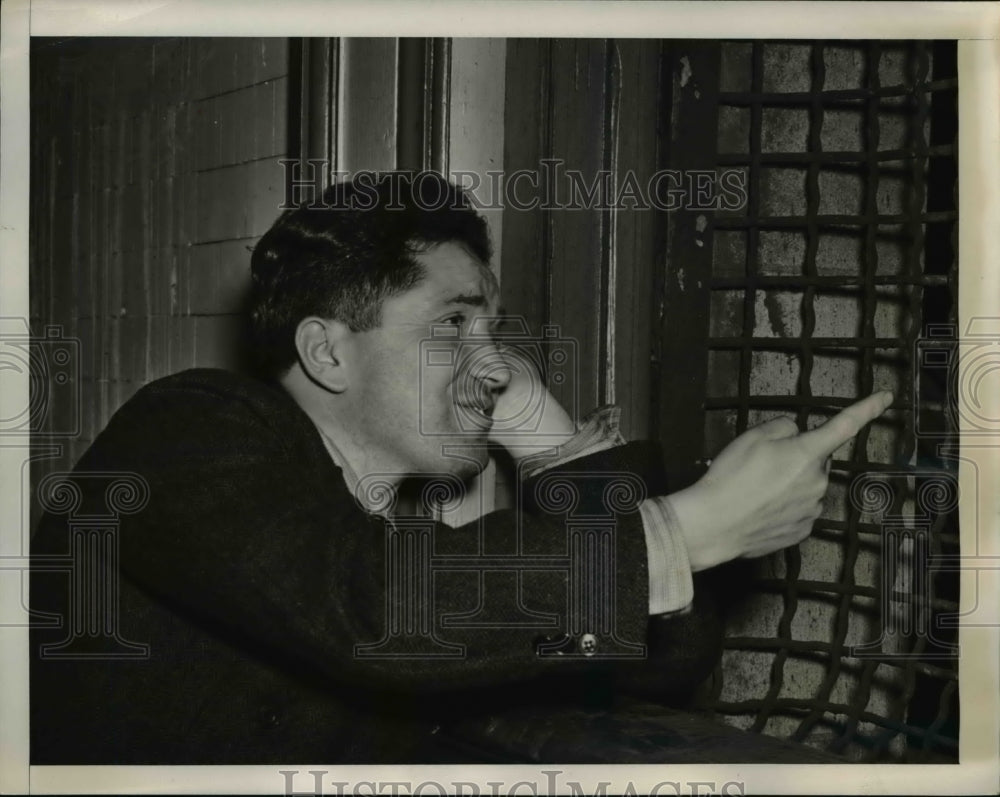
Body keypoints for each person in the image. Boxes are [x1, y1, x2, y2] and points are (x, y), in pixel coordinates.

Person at [30, 172, 892, 764]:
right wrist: (684, 526)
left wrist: (554, 441)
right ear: (327, 350)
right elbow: (369, 609)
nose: (496, 363)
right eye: (452, 323)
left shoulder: (414, 538)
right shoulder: (188, 428)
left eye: (496, 329)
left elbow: (657, 661)